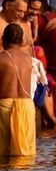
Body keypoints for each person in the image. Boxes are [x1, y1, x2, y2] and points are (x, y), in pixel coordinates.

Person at [0, 24, 36, 157]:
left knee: (3, 153)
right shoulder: (30, 60)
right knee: (25, 153)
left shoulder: (1, 58)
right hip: (26, 106)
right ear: (22, 41)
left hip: (5, 106)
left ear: (3, 39)